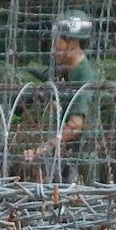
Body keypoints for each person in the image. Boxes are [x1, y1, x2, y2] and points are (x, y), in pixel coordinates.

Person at [22, 12, 108, 181]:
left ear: (72, 42)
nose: (53, 50)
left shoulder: (84, 77)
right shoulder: (69, 74)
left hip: (82, 161)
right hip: (69, 158)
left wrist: (40, 149)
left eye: (57, 43)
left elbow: (75, 126)